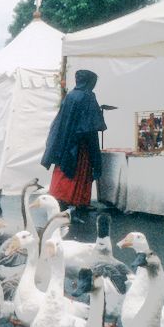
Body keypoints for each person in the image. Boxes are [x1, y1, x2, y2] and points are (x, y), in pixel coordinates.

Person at [41, 68, 106, 217]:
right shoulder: (88, 97)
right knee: (81, 171)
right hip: (81, 142)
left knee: (64, 168)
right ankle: (78, 201)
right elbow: (92, 123)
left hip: (66, 140)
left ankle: (62, 198)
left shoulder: (70, 96)